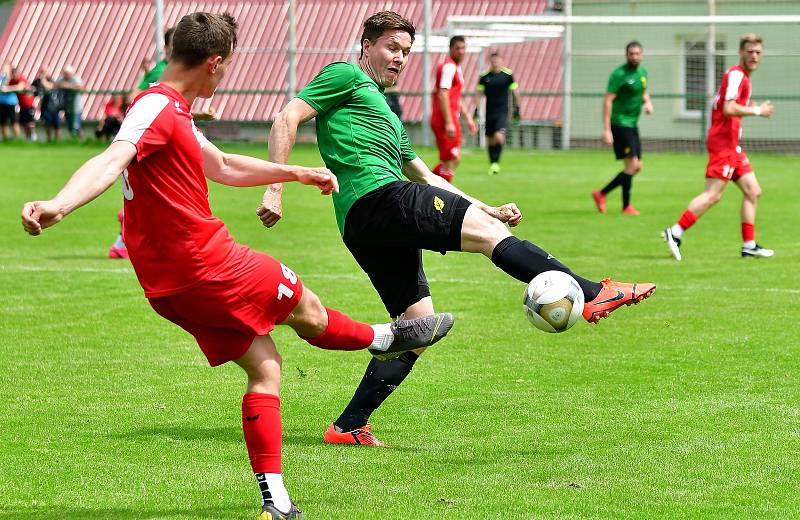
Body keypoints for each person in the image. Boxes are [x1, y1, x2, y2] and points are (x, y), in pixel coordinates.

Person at [21, 12, 453, 520]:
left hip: (167, 287)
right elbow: (112, 158)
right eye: (225, 69)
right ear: (214, 63)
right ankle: (387, 337)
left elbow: (223, 165)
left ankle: (277, 503)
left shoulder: (172, 112)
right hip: (206, 262)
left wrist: (291, 172)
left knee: (265, 367)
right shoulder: (155, 108)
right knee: (304, 305)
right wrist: (59, 205)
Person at [260, 11, 656, 448]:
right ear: (367, 45)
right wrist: (275, 189)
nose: (400, 59)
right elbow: (285, 118)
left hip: (363, 223)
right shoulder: (345, 75)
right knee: (488, 240)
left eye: (406, 52)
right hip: (379, 199)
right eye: (392, 47)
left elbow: (427, 177)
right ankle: (594, 293)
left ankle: (348, 426)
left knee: (418, 325)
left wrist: (485, 206)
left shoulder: (386, 115)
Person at [663, 34, 774, 261]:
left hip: (732, 146)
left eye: (758, 52)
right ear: (741, 52)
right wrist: (757, 111)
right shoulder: (736, 75)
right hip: (723, 144)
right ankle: (675, 232)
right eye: (750, 51)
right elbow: (728, 108)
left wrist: (749, 106)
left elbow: (731, 105)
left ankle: (749, 245)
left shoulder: (743, 77)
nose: (754, 56)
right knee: (713, 195)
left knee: (753, 191)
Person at [592, 41, 653, 216]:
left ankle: (603, 195)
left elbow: (643, 91)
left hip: (632, 124)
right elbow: (608, 100)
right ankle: (622, 204)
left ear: (642, 55)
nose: (634, 56)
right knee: (632, 165)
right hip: (620, 123)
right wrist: (606, 129)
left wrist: (647, 102)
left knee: (636, 166)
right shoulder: (619, 74)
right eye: (631, 54)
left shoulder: (643, 73)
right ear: (626, 55)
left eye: (637, 53)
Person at [430, 35, 477, 183]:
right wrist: (449, 122)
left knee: (453, 158)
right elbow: (443, 94)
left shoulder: (455, 67)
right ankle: (439, 196)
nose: (461, 51)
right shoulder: (448, 67)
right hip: (444, 118)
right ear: (450, 49)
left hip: (450, 117)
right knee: (450, 159)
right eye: (457, 48)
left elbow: (456, 97)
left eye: (463, 48)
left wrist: (468, 118)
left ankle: (428, 185)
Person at [474, 51, 521, 175]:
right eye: (493, 60)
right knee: (490, 139)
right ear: (490, 61)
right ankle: (492, 163)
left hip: (503, 112)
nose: (495, 62)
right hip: (489, 112)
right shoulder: (485, 77)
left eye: (497, 60)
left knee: (499, 136)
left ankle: (496, 162)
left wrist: (517, 108)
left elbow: (515, 91)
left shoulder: (507, 75)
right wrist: (476, 109)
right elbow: (478, 94)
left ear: (501, 61)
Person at [31, 67, 62, 142]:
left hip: (54, 106)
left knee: (56, 124)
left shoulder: (52, 80)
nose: (42, 74)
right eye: (41, 72)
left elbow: (49, 87)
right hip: (45, 106)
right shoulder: (37, 81)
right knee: (47, 123)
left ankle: (57, 141)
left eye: (44, 72)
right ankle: (49, 140)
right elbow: (31, 88)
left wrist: (43, 79)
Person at [7, 66, 37, 141]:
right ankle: (28, 139)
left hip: (29, 105)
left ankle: (33, 137)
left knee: (30, 122)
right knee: (24, 123)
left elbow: (19, 87)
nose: (14, 76)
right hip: (22, 105)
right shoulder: (12, 81)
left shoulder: (21, 78)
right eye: (12, 74)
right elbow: (7, 85)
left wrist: (7, 88)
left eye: (15, 74)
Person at [56, 65, 83, 138]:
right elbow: (56, 85)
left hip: (76, 107)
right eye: (65, 73)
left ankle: (81, 140)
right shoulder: (61, 79)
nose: (66, 75)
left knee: (77, 126)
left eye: (67, 74)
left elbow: (80, 87)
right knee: (70, 126)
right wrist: (70, 86)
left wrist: (67, 86)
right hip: (67, 107)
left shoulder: (76, 79)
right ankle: (74, 141)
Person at [0, 61, 19, 141]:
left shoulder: (13, 77)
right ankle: (6, 139)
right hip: (1, 102)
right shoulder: (1, 77)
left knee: (14, 121)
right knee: (2, 122)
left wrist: (7, 88)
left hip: (11, 102)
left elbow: (19, 86)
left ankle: (17, 139)